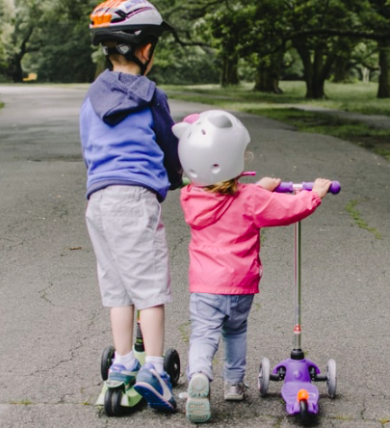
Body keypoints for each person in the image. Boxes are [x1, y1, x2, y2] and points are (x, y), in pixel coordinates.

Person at [174, 110, 332, 423]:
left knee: (204, 335)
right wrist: (314, 195)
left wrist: (259, 187)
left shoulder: (190, 197)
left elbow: (224, 195)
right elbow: (287, 209)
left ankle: (201, 376)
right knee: (235, 331)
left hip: (205, 285)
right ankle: (233, 385)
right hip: (240, 284)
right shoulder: (250, 199)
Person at [80, 0, 181, 412]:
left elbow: (89, 148)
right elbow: (170, 143)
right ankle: (154, 368)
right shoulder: (150, 95)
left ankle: (122, 363)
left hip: (98, 200)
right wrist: (176, 177)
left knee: (117, 288)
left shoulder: (91, 98)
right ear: (145, 50)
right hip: (134, 200)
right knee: (150, 288)